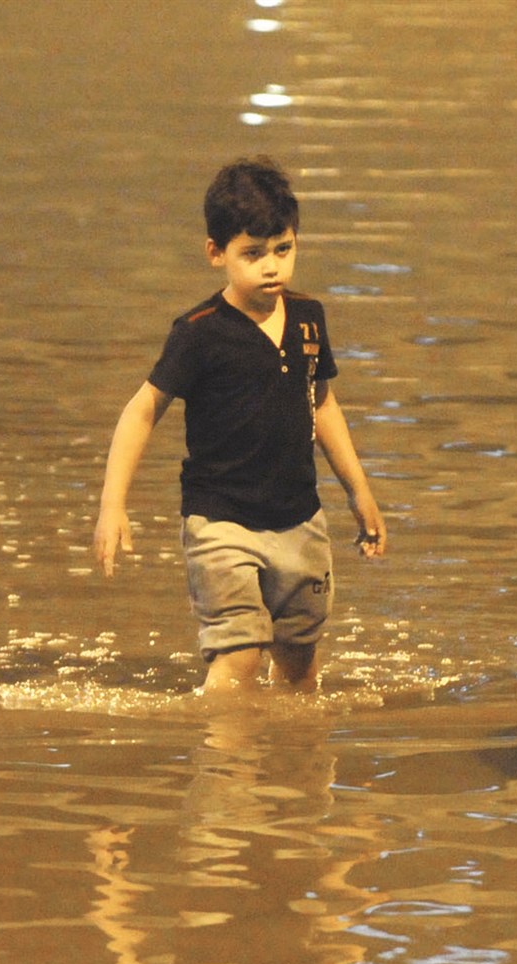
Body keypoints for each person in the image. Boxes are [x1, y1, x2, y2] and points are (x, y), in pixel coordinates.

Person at [92, 156, 386, 693]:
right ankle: (226, 770)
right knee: (240, 655)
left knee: (298, 664)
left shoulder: (308, 319)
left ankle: (292, 767)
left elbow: (321, 405)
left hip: (299, 519)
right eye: (252, 254)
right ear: (215, 253)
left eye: (283, 249)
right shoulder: (199, 333)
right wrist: (114, 503)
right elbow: (142, 410)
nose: (271, 266)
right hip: (220, 521)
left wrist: (359, 493)